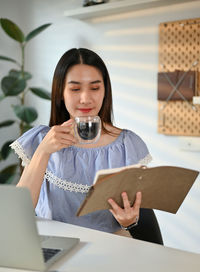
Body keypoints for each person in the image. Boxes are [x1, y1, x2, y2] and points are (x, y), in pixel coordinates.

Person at [10, 48, 163, 244]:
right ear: (60, 94)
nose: (85, 98)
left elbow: (135, 213)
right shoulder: (40, 139)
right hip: (52, 245)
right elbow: (19, 211)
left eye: (95, 87)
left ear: (104, 91)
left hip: (109, 247)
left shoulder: (127, 145)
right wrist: (43, 151)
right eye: (75, 89)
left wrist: (129, 221)